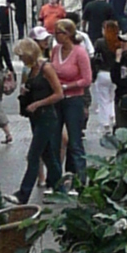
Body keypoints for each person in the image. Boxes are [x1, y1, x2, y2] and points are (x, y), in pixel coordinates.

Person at [14, 39, 65, 202]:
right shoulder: (31, 70)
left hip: (46, 116)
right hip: (35, 117)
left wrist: (38, 103)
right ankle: (60, 188)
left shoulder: (46, 68)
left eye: (22, 56)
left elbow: (59, 93)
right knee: (48, 155)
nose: (21, 60)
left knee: (33, 155)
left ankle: (23, 194)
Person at [51, 18, 94, 179]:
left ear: (68, 34)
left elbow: (87, 79)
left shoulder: (79, 53)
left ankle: (81, 178)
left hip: (74, 99)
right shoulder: (56, 50)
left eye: (59, 33)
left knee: (75, 140)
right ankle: (55, 179)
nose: (56, 36)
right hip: (58, 99)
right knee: (55, 139)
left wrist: (68, 86)